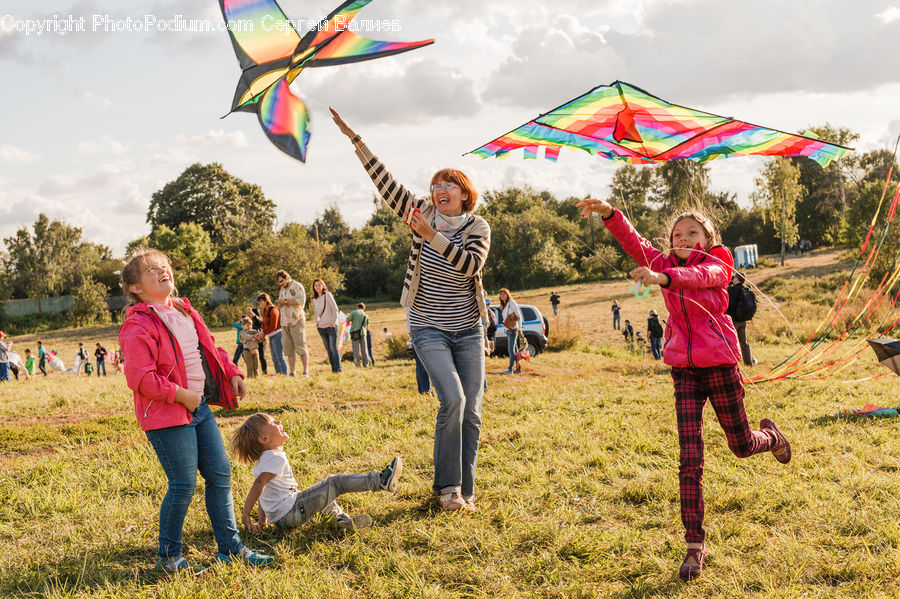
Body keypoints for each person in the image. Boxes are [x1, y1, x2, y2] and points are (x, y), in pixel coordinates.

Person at [577, 197, 792, 582]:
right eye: (677, 234)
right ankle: (695, 544)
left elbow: (701, 277)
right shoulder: (665, 262)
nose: (683, 238)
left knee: (740, 445)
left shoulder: (719, 261)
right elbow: (635, 243)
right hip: (684, 370)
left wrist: (662, 278)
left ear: (708, 238)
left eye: (692, 232)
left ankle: (771, 437)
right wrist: (610, 213)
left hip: (722, 364)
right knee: (689, 457)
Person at [332, 108, 490, 512]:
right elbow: (386, 185)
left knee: (471, 411)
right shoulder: (419, 214)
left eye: (448, 185)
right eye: (435, 184)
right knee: (451, 398)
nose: (439, 189)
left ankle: (465, 492)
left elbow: (470, 266)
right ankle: (447, 490)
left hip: (468, 328)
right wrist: (357, 141)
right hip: (428, 327)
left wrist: (432, 235)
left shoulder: (478, 228)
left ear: (463, 194)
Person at [118, 248, 273, 571]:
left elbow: (211, 346)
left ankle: (230, 550)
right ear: (135, 287)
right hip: (168, 414)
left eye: (165, 267)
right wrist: (180, 395)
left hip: (199, 408)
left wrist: (232, 372)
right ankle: (169, 558)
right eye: (151, 271)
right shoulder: (137, 324)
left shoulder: (185, 311)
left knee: (220, 474)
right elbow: (141, 378)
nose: (163, 272)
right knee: (183, 484)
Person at [231, 413, 402, 533]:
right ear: (264, 440)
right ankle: (380, 481)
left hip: (283, 519)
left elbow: (264, 495)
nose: (279, 422)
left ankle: (340, 521)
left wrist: (263, 523)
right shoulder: (275, 458)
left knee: (323, 498)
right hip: (293, 512)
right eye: (273, 423)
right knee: (334, 483)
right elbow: (259, 485)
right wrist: (246, 514)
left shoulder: (262, 462)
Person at [276, 269, 309, 377]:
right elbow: (281, 302)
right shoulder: (282, 289)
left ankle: (305, 372)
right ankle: (292, 372)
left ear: (287, 277)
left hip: (296, 320)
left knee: (301, 346)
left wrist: (285, 301)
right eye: (279, 283)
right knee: (288, 348)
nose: (281, 284)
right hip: (285, 322)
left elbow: (300, 302)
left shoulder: (297, 286)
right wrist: (280, 305)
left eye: (282, 281)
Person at [725, 271, 757, 367]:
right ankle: (748, 362)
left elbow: (726, 294)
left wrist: (729, 282)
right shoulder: (746, 289)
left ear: (737, 279)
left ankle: (732, 364)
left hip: (733, 321)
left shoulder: (732, 290)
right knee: (744, 342)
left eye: (734, 278)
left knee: (731, 342)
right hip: (743, 321)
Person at [312, 279, 342, 374]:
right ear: (314, 287)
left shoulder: (327, 295)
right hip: (321, 327)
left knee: (333, 348)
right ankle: (334, 370)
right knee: (328, 350)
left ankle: (338, 369)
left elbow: (335, 309)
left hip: (331, 326)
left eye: (319, 285)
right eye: (316, 285)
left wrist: (333, 322)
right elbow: (316, 313)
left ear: (323, 285)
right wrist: (317, 323)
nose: (317, 287)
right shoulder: (315, 299)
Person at [257, 293, 287, 376]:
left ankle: (285, 374)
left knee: (279, 356)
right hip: (271, 335)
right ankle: (278, 373)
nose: (260, 304)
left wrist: (263, 334)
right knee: (274, 358)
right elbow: (264, 323)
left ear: (266, 301)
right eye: (259, 303)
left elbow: (273, 326)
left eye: (261, 302)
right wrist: (262, 331)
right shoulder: (265, 311)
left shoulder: (273, 310)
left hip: (277, 335)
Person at [499, 288, 523, 375]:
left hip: (513, 329)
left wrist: (520, 329)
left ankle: (510, 369)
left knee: (511, 350)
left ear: (507, 294)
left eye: (504, 294)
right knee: (515, 350)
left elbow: (519, 316)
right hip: (509, 329)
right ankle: (518, 368)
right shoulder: (505, 305)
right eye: (501, 294)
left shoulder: (511, 302)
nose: (502, 296)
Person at [347, 303, 371, 367]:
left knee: (356, 349)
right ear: (363, 308)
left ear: (357, 307)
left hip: (354, 332)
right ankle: (366, 364)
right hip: (363, 333)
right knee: (364, 349)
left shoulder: (354, 312)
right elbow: (367, 327)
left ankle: (357, 364)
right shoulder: (366, 315)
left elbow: (348, 321)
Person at [249, 307, 268, 375]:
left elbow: (254, 317)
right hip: (255, 342)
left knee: (261, 357)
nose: (250, 315)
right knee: (256, 357)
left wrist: (251, 312)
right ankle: (255, 371)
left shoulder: (258, 320)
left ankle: (265, 371)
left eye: (251, 313)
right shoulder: (253, 322)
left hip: (260, 341)